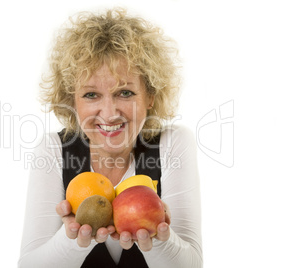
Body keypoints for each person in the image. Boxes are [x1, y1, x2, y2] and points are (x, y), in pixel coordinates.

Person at [18, 8, 202, 267]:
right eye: (91, 95)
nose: (109, 113)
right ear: (72, 100)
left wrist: (160, 239)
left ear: (150, 95)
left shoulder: (173, 144)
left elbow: (191, 264)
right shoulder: (53, 150)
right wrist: (75, 238)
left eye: (125, 93)